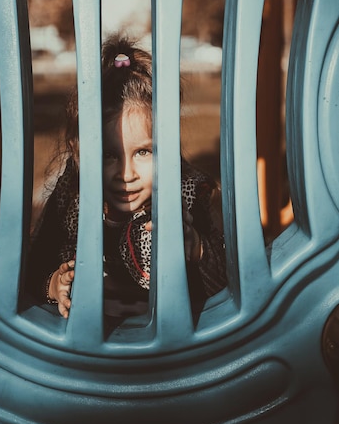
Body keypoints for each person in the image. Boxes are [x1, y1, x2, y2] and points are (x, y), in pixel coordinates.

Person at [25, 35, 226, 325]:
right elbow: (32, 268)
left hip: (171, 350)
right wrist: (53, 285)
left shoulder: (186, 198)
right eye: (108, 155)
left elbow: (229, 288)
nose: (126, 174)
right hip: (92, 352)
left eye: (143, 151)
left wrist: (197, 249)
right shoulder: (72, 201)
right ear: (78, 151)